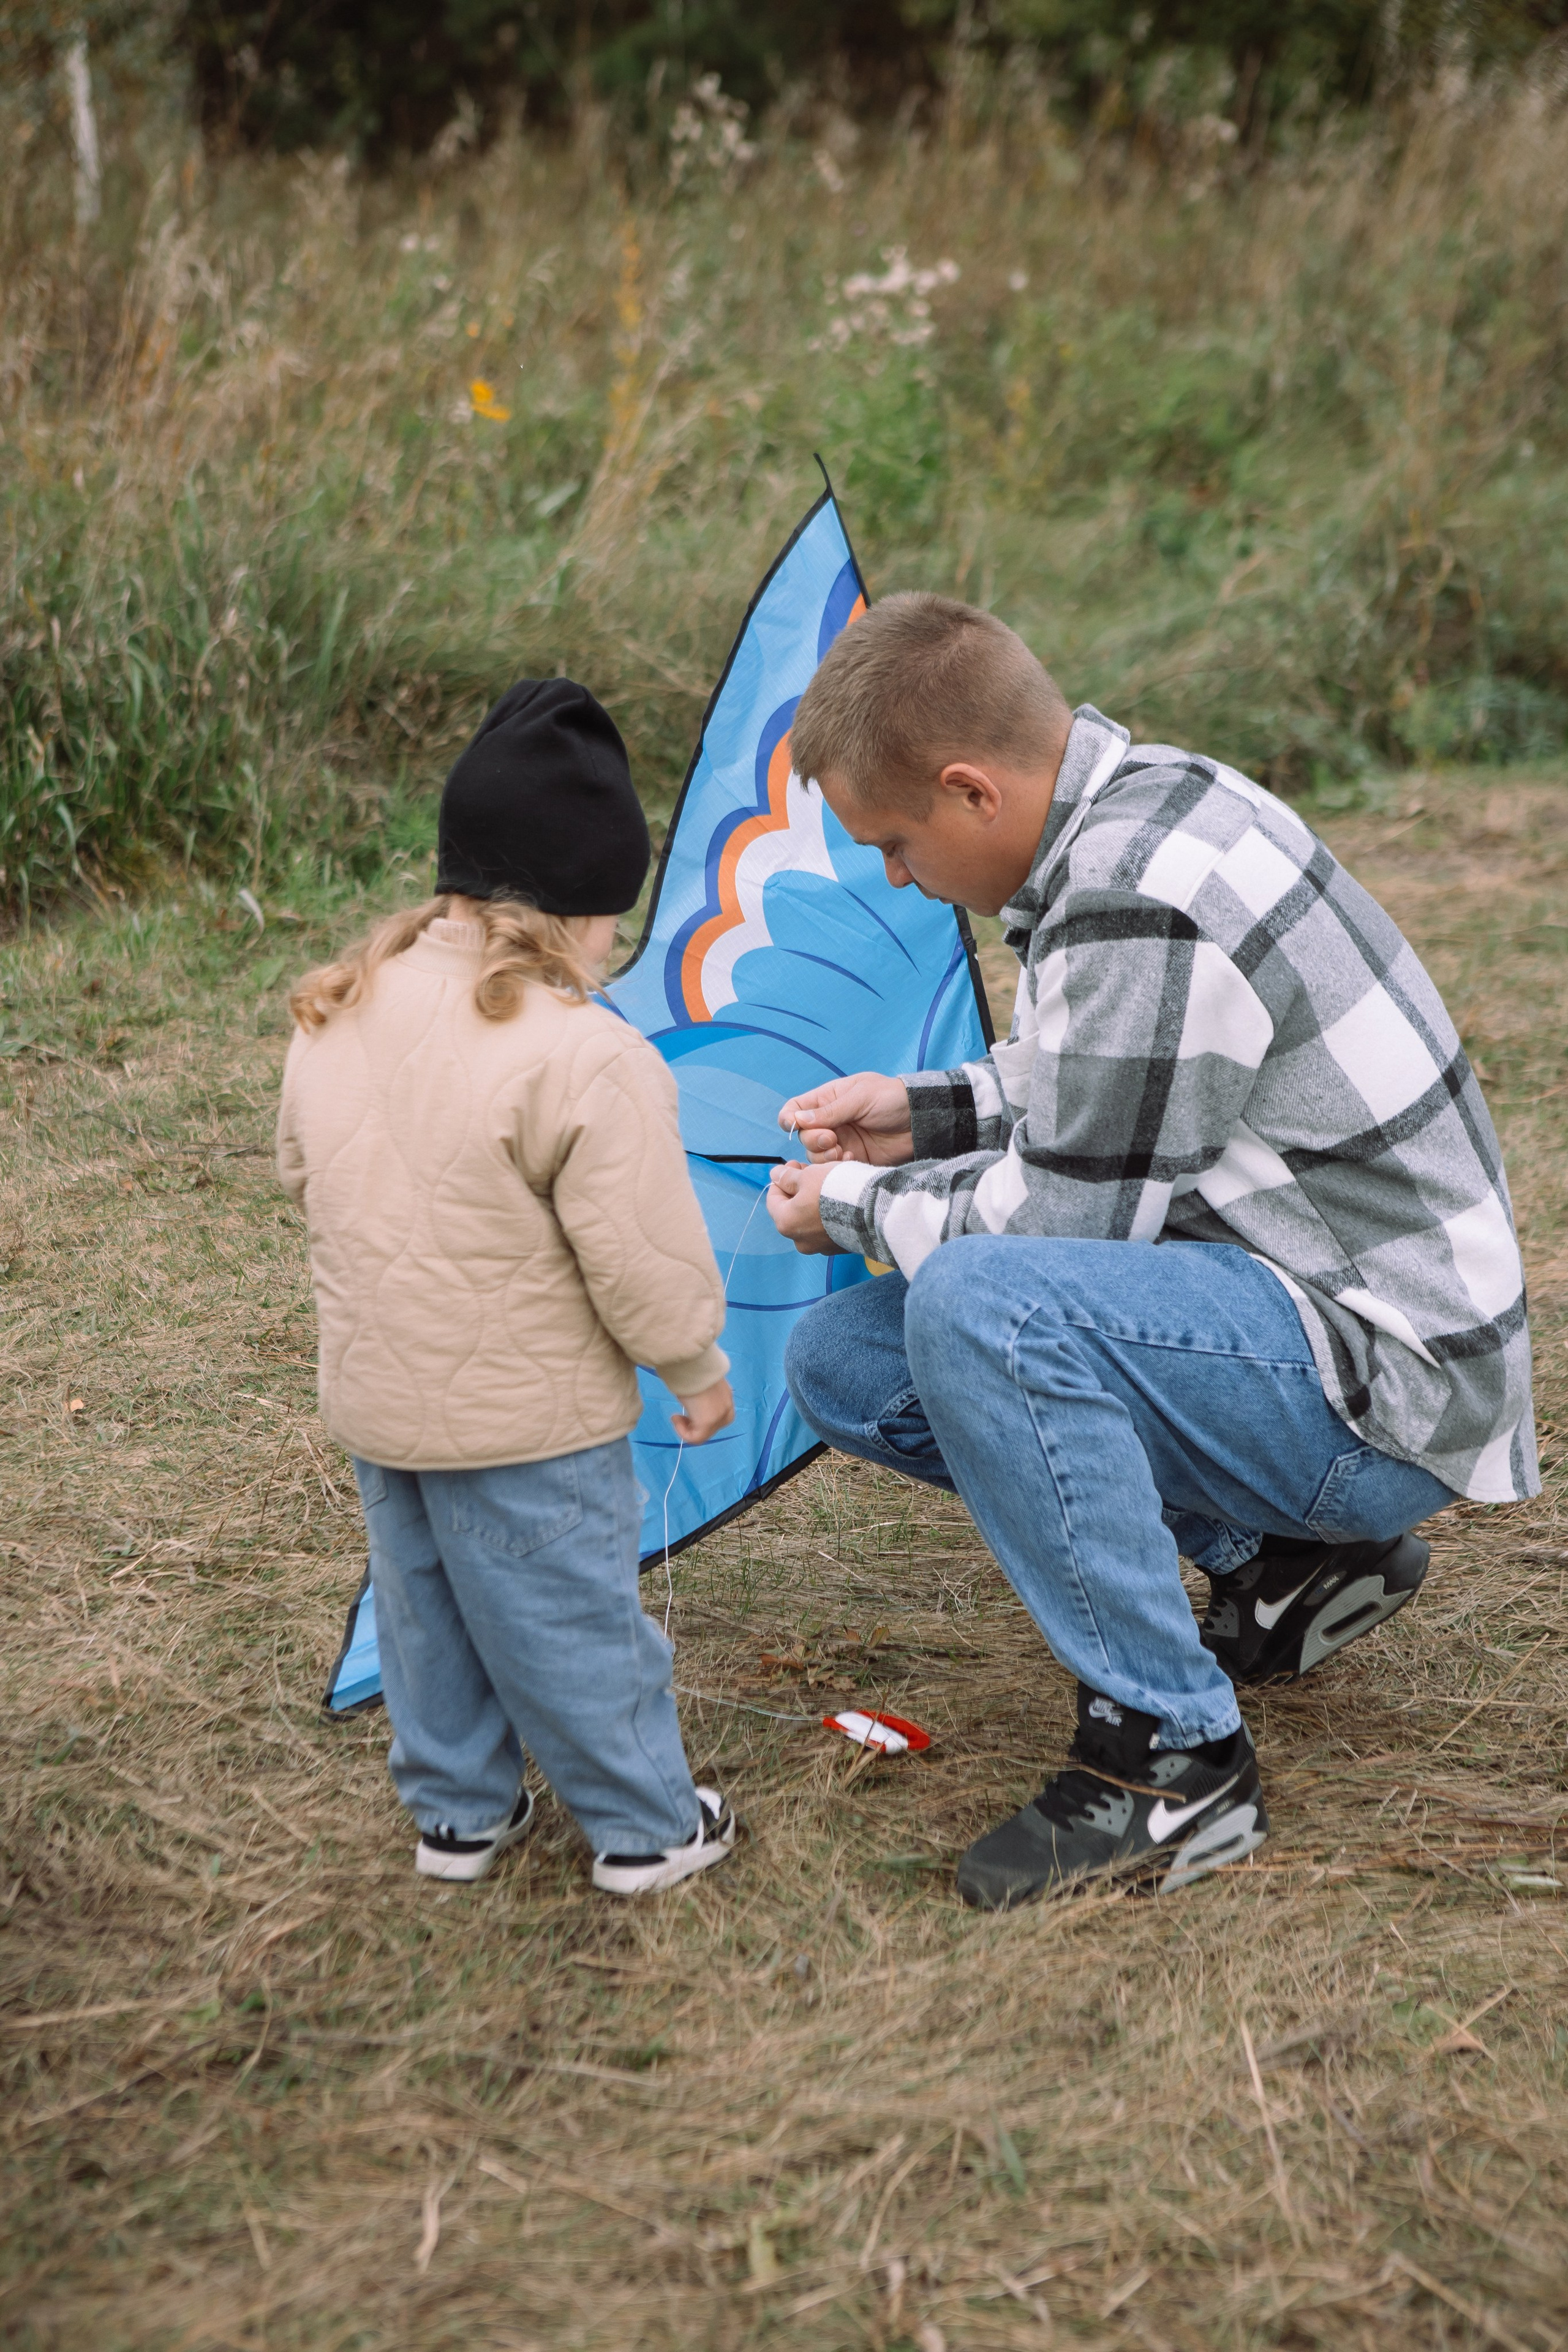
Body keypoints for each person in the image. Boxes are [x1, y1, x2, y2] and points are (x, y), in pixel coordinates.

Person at [766, 595, 1537, 1912]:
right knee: (842, 1359)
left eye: (894, 846)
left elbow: (1053, 1238)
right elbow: (1113, 1079)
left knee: (976, 1307)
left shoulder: (1132, 893)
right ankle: (1284, 1564)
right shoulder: (1146, 802)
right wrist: (918, 1114)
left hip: (1384, 1394)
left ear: (967, 791)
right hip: (1309, 1305)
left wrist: (847, 1206)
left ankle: (1172, 1762)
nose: (898, 876)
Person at [278, 680, 737, 1896]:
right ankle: (647, 1827)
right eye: (609, 920)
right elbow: (638, 1256)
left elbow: (299, 1169)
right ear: (575, 905)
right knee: (569, 1624)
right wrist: (690, 1364)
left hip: (383, 1406)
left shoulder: (336, 1008)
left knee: (425, 1621)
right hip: (529, 1424)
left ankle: (458, 1815)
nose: (610, 947)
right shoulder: (585, 1055)